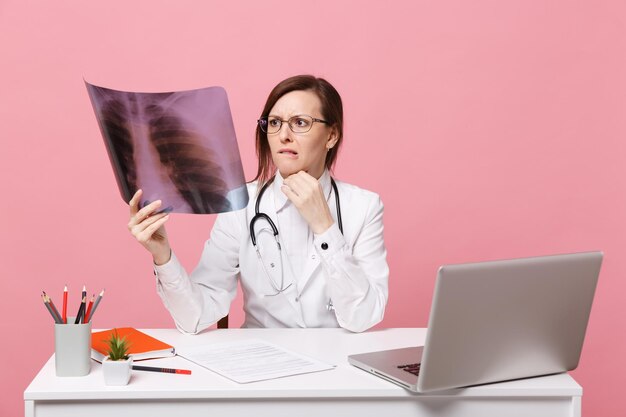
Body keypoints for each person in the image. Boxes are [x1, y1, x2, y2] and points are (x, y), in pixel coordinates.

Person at [127, 75, 389, 333]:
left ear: (331, 136)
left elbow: (363, 317)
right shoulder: (241, 203)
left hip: (336, 365)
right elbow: (195, 317)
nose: (283, 135)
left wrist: (325, 226)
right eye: (274, 122)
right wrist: (163, 256)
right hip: (262, 364)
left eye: (300, 122)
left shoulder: (364, 207)